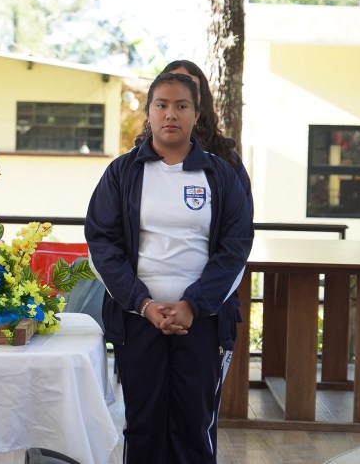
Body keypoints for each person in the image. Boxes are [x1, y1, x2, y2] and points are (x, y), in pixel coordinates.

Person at [85, 72, 253, 464]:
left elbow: (236, 247)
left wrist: (192, 304)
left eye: (182, 105)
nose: (170, 114)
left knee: (194, 424)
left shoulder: (219, 175)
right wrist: (143, 303)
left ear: (197, 114)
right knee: (142, 423)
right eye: (161, 105)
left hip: (202, 320)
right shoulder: (123, 172)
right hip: (138, 319)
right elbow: (101, 242)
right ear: (149, 113)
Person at [136, 59, 251, 194]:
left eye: (191, 86)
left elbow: (241, 211)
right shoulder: (134, 160)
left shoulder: (225, 156)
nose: (180, 91)